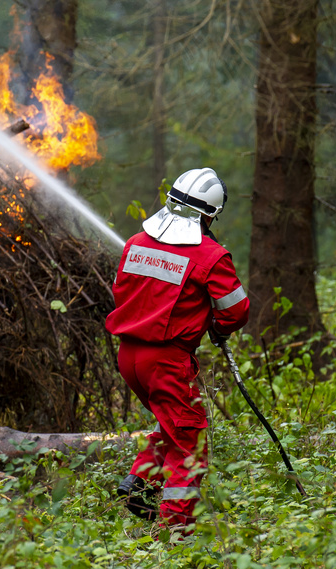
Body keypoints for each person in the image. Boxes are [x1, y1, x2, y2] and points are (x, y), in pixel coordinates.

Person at [105, 167, 249, 532]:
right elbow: (235, 310)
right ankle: (176, 529)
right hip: (166, 360)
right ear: (209, 214)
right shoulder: (211, 255)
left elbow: (120, 290)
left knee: (174, 422)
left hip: (129, 357)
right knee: (189, 437)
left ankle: (140, 483)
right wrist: (216, 327)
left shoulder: (136, 242)